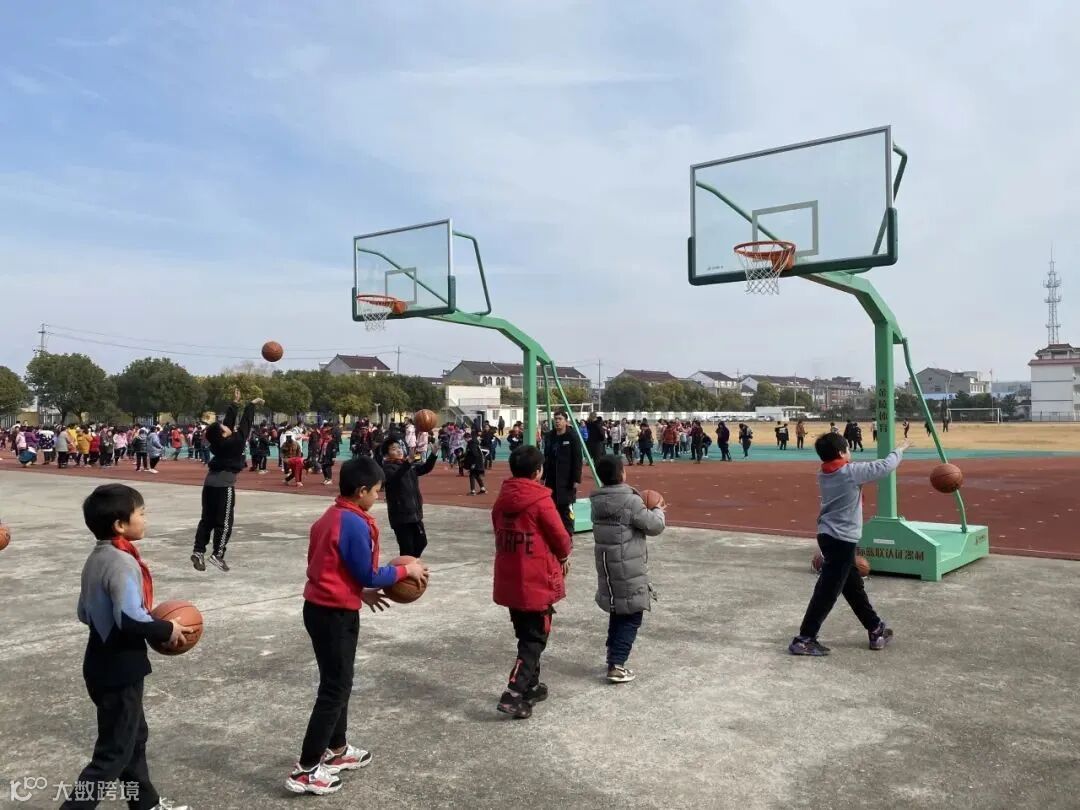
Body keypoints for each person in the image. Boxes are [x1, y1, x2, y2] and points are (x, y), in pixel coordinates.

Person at [285, 458, 429, 795]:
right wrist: (405, 571)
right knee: (334, 688)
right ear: (361, 491)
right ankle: (306, 769)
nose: (378, 497)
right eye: (376, 491)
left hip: (323, 607)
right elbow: (368, 573)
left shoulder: (331, 516)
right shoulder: (352, 522)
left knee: (340, 681)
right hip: (333, 614)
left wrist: (358, 592)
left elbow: (328, 565)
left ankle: (337, 749)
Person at [63, 483, 195, 810]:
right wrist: (167, 627)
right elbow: (129, 619)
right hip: (119, 668)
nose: (146, 519)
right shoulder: (122, 562)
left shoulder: (97, 558)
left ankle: (146, 804)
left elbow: (84, 613)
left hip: (100, 660)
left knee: (134, 739)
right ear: (120, 525)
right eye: (141, 514)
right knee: (112, 755)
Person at [788, 433, 911, 656]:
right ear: (841, 452)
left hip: (829, 536)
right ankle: (805, 638)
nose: (849, 451)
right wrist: (900, 449)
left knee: (853, 588)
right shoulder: (850, 472)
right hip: (841, 540)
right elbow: (885, 466)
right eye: (847, 447)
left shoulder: (825, 472)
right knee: (827, 591)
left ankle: (875, 628)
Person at [492, 445, 573, 719]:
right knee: (535, 638)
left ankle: (531, 686)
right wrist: (564, 555)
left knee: (525, 633)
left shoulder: (502, 499)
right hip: (536, 579)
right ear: (538, 472)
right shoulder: (540, 500)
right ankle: (514, 692)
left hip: (510, 577)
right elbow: (560, 536)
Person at [589, 455, 666, 683]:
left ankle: (613, 658)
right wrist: (658, 509)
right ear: (622, 474)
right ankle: (617, 664)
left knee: (618, 612)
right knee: (631, 616)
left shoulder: (597, 502)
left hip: (608, 565)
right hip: (628, 566)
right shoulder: (631, 501)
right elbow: (655, 526)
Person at [190, 390, 262, 572]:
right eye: (223, 428)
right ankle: (218, 554)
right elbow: (245, 425)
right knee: (224, 522)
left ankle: (198, 551)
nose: (226, 426)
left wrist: (235, 404)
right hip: (224, 484)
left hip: (209, 483)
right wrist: (251, 406)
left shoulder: (218, 443)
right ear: (223, 434)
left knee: (207, 519)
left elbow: (228, 425)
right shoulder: (234, 443)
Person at [381, 436, 438, 557]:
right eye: (393, 449)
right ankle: (406, 567)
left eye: (399, 447)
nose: (399, 450)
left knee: (421, 542)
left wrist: (433, 454)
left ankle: (411, 564)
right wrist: (407, 463)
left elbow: (424, 468)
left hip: (414, 513)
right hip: (401, 516)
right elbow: (396, 477)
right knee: (407, 549)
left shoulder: (408, 465)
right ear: (386, 454)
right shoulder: (387, 468)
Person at [543, 411, 583, 534]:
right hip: (551, 478)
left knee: (566, 508)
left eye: (560, 419)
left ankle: (568, 533)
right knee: (552, 506)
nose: (557, 421)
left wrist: (576, 478)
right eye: (555, 419)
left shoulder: (572, 436)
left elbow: (578, 458)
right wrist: (543, 476)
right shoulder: (550, 436)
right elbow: (546, 457)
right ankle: (555, 533)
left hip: (567, 479)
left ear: (566, 421)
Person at [464, 430, 487, 495]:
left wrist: (473, 464)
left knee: (472, 475)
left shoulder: (471, 444)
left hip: (476, 462)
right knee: (476, 475)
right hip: (478, 462)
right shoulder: (473, 443)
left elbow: (475, 454)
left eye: (465, 439)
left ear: (467, 438)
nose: (464, 440)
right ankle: (482, 489)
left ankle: (473, 491)